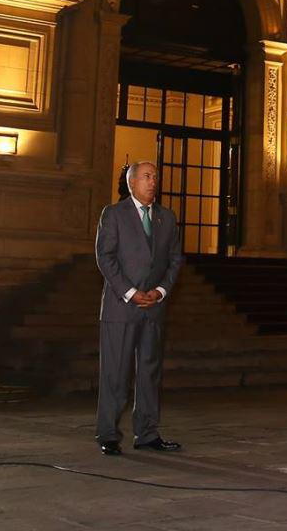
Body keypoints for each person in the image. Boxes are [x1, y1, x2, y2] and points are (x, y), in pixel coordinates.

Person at [94, 161, 184, 457]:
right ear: (132, 183)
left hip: (154, 309)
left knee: (149, 373)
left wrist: (159, 291)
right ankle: (108, 434)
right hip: (121, 309)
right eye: (147, 176)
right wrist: (131, 293)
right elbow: (105, 258)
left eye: (155, 176)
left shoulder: (167, 218)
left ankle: (147, 433)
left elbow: (174, 260)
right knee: (115, 374)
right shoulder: (114, 214)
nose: (153, 181)